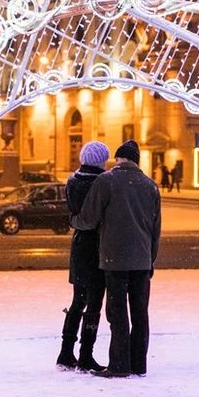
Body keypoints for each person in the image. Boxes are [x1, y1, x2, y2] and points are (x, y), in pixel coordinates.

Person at [73, 139, 161, 377]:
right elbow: (155, 230)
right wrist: (150, 260)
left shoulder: (106, 181)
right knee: (140, 313)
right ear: (136, 161)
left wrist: (74, 220)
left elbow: (88, 219)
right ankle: (138, 364)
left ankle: (119, 365)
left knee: (117, 312)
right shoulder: (151, 186)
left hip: (114, 259)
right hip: (142, 261)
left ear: (118, 159)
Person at [56, 141, 110, 372]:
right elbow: (101, 216)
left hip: (79, 247)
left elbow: (75, 214)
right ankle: (86, 353)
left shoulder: (72, 181)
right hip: (98, 247)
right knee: (95, 303)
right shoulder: (102, 182)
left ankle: (66, 352)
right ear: (100, 160)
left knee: (78, 301)